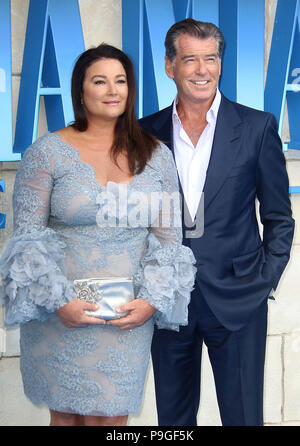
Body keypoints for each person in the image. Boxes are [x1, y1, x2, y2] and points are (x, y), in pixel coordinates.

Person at [0, 43, 195, 426]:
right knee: (67, 419)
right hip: (61, 309)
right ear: (81, 90)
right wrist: (60, 301)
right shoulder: (46, 153)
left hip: (127, 313)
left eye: (120, 81)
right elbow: (26, 240)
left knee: (109, 420)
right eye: (100, 81)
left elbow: (170, 240)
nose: (112, 90)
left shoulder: (157, 155)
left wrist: (152, 301)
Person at [139, 18, 295, 426]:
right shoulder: (144, 132)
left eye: (211, 58)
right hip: (168, 301)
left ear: (221, 64)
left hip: (238, 298)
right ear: (170, 66)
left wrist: (262, 281)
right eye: (190, 59)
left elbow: (279, 217)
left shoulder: (257, 127)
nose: (202, 70)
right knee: (173, 421)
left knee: (243, 416)